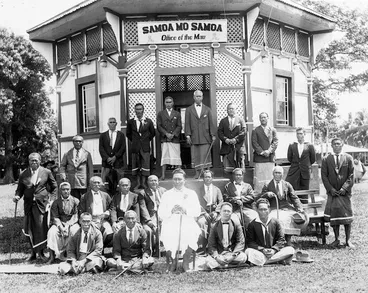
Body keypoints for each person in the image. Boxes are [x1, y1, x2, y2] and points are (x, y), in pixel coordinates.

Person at [13, 153, 57, 262]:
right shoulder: (24, 174)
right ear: (29, 161)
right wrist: (17, 196)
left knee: (40, 229)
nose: (34, 162)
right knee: (28, 229)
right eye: (32, 160)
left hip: (41, 205)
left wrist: (51, 199)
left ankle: (41, 253)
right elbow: (20, 189)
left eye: (36, 160)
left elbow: (54, 187)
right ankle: (32, 253)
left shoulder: (46, 172)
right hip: (28, 205)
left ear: (40, 161)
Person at [158, 168, 201, 272]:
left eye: (179, 179)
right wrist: (171, 211)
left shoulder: (191, 193)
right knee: (168, 232)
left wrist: (185, 210)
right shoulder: (166, 194)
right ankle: (173, 262)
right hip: (171, 221)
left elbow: (197, 211)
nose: (177, 181)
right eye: (175, 179)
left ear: (184, 180)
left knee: (191, 232)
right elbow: (161, 213)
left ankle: (186, 262)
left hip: (187, 220)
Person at [260, 166, 308, 244]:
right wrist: (266, 194)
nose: (278, 175)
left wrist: (299, 209)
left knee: (290, 218)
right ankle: (277, 240)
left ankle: (288, 239)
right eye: (276, 173)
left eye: (279, 173)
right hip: (273, 208)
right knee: (276, 219)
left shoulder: (287, 184)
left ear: (282, 174)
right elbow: (261, 198)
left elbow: (294, 197)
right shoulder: (268, 185)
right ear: (273, 174)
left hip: (286, 208)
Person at [322, 137, 354, 248]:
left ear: (342, 145)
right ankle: (336, 239)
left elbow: (351, 175)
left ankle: (348, 240)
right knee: (335, 217)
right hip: (333, 193)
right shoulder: (326, 159)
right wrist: (331, 189)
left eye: (338, 144)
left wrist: (344, 188)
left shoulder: (348, 158)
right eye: (334, 144)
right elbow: (324, 176)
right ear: (331, 146)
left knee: (346, 217)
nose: (337, 146)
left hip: (345, 194)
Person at [245, 198, 295, 266]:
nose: (263, 212)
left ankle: (264, 262)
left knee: (290, 249)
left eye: (265, 209)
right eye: (261, 209)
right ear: (257, 210)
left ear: (269, 210)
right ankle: (276, 260)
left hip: (274, 252)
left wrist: (274, 250)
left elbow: (281, 239)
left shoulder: (276, 222)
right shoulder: (252, 224)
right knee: (248, 251)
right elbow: (250, 242)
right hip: (260, 252)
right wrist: (262, 250)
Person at [184, 90, 216, 179]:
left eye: (200, 96)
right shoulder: (189, 110)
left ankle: (207, 174)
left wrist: (213, 134)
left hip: (205, 136)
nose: (198, 98)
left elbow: (211, 123)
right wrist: (188, 135)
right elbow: (187, 123)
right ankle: (197, 173)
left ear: (202, 97)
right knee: (196, 155)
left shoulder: (207, 109)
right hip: (194, 136)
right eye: (197, 96)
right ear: (194, 97)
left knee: (206, 154)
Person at [205, 202, 247, 270]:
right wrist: (217, 257)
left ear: (231, 213)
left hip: (232, 253)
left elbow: (241, 242)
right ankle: (229, 265)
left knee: (243, 257)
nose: (226, 213)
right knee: (208, 261)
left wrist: (233, 256)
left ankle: (223, 265)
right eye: (224, 211)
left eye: (228, 211)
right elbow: (211, 244)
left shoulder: (236, 224)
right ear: (220, 212)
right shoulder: (214, 226)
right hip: (220, 254)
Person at [47, 182, 80, 264]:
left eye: (67, 189)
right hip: (59, 222)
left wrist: (68, 225)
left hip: (72, 222)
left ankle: (71, 255)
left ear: (70, 190)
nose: (65, 191)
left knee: (75, 231)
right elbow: (55, 217)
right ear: (60, 191)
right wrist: (61, 227)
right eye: (63, 189)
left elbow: (76, 215)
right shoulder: (56, 202)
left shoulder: (75, 201)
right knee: (52, 232)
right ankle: (52, 256)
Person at [126, 103, 155, 189]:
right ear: (135, 110)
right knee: (136, 165)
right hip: (135, 147)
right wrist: (136, 141)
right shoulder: (131, 122)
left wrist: (145, 140)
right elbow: (128, 134)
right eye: (137, 109)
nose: (139, 111)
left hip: (145, 147)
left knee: (145, 165)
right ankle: (138, 183)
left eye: (140, 109)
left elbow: (152, 133)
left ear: (143, 110)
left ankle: (144, 183)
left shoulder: (148, 121)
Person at [78, 176, 113, 246]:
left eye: (98, 182)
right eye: (94, 183)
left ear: (101, 184)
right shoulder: (85, 196)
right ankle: (95, 249)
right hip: (91, 220)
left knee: (109, 233)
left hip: (103, 219)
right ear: (90, 184)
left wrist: (107, 213)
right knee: (94, 232)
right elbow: (81, 211)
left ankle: (101, 246)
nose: (97, 184)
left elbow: (112, 207)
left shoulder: (106, 195)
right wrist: (89, 219)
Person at [138, 175, 166, 255]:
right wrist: (149, 221)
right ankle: (149, 250)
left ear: (158, 182)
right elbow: (143, 208)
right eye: (151, 180)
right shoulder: (143, 193)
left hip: (162, 214)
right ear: (147, 182)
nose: (154, 182)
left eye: (155, 180)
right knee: (149, 229)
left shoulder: (163, 190)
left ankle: (164, 249)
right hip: (151, 215)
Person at [60, 135, 93, 200]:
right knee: (73, 199)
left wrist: (91, 180)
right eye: (76, 141)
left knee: (84, 199)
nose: (78, 143)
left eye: (80, 141)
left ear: (82, 142)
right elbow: (62, 165)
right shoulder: (67, 154)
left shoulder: (87, 154)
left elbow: (90, 168)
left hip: (83, 182)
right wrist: (62, 174)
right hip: (72, 181)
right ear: (73, 142)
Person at [197, 170, 223, 252]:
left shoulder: (216, 189)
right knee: (201, 222)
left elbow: (221, 201)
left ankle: (218, 246)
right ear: (203, 179)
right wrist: (204, 213)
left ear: (212, 178)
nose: (207, 179)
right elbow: (197, 203)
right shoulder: (199, 190)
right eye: (205, 177)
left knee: (219, 222)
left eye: (209, 177)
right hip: (204, 212)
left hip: (214, 212)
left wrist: (217, 212)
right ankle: (203, 247)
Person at [251, 112, 278, 192]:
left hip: (270, 158)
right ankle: (259, 196)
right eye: (261, 117)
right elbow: (254, 143)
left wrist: (269, 151)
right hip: (260, 158)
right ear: (259, 119)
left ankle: (271, 195)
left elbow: (275, 142)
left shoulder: (273, 130)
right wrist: (262, 152)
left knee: (270, 178)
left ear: (267, 118)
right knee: (259, 180)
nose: (263, 119)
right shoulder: (255, 130)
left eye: (264, 117)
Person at [157, 96, 182, 180]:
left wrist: (173, 134)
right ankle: (163, 175)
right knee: (164, 157)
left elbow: (179, 126)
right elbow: (159, 126)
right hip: (165, 139)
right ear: (164, 103)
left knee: (177, 157)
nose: (168, 104)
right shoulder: (161, 113)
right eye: (167, 102)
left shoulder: (177, 114)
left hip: (174, 139)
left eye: (170, 102)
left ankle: (178, 175)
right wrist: (166, 134)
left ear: (173, 103)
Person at [99, 117, 126, 194]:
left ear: (116, 124)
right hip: (106, 163)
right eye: (110, 122)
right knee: (105, 185)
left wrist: (115, 157)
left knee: (120, 183)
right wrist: (107, 158)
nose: (112, 124)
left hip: (118, 162)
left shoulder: (120, 135)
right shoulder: (103, 135)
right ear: (108, 124)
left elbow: (123, 148)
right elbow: (101, 148)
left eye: (114, 122)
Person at [218, 103, 247, 174]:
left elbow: (243, 132)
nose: (231, 110)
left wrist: (235, 139)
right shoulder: (223, 121)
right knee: (228, 170)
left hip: (238, 147)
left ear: (236, 110)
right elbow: (220, 132)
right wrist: (225, 139)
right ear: (227, 110)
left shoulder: (241, 120)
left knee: (240, 170)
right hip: (226, 148)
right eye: (229, 109)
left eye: (232, 108)